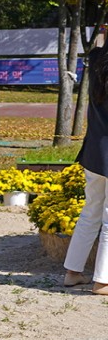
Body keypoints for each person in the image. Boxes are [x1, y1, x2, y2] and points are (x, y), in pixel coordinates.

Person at [63, 45, 108, 293]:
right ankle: (102, 281)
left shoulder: (97, 62)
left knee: (90, 213)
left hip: (94, 151)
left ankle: (73, 272)